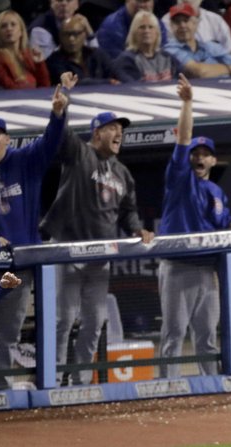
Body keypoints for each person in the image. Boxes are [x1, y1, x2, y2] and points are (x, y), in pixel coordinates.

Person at [41, 73, 155, 387]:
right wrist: (62, 106)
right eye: (112, 128)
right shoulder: (80, 154)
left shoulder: (122, 172)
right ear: (97, 133)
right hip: (67, 251)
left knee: (93, 323)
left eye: (121, 130)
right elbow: (61, 136)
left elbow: (129, 212)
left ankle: (79, 382)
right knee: (62, 321)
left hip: (99, 258)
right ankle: (52, 381)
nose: (119, 133)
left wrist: (137, 230)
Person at [157, 74, 231, 378]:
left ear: (214, 161)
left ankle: (211, 385)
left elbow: (225, 223)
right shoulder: (179, 179)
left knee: (206, 336)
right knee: (174, 333)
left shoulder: (216, 192)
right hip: (177, 266)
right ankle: (167, 386)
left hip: (206, 269)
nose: (199, 158)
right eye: (195, 155)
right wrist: (187, 103)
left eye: (205, 155)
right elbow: (183, 139)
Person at [0, 85, 69, 391]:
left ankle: (2, 388)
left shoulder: (23, 161)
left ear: (7, 138)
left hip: (19, 268)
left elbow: (50, 142)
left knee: (9, 334)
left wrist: (57, 114)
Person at [164, 4, 231, 79]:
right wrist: (228, 68)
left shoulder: (210, 46)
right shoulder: (170, 49)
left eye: (186, 20)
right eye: (177, 22)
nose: (182, 25)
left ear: (195, 24)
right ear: (171, 26)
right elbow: (199, 72)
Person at [0, 9, 51, 89]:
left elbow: (45, 86)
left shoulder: (28, 53)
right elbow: (8, 87)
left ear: (21, 31)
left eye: (13, 24)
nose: (9, 29)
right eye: (3, 26)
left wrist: (39, 63)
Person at [46, 14, 117, 85]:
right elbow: (71, 83)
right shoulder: (54, 61)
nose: (71, 39)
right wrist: (108, 82)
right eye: (66, 34)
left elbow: (116, 74)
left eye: (76, 34)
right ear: (60, 36)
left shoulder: (97, 54)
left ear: (84, 34)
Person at [113, 10, 179, 83]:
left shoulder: (168, 57)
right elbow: (133, 88)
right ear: (134, 33)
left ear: (157, 33)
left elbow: (180, 82)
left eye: (151, 27)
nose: (146, 31)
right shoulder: (126, 60)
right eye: (142, 27)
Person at [162, 0, 231, 57]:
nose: (183, 25)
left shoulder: (215, 20)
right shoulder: (166, 21)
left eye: (186, 20)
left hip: (218, 71)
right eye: (179, 22)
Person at [96, 0, 168, 60]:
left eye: (146, 1)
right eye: (139, 1)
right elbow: (117, 66)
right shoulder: (111, 27)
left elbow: (165, 58)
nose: (143, 5)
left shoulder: (158, 24)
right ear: (127, 1)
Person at [29, 0, 98, 60]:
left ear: (77, 4)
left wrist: (89, 33)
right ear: (51, 3)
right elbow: (49, 64)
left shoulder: (80, 21)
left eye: (69, 0)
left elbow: (97, 58)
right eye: (59, 0)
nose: (64, 4)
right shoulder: (39, 30)